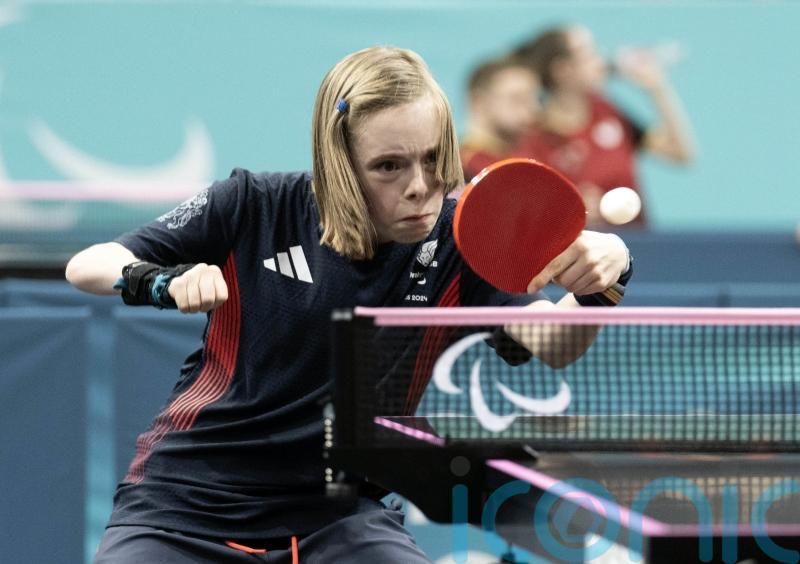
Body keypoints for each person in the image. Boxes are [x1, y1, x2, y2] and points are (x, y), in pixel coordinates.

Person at [65, 46, 631, 563]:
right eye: (390, 166)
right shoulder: (253, 205)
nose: (420, 187)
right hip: (187, 506)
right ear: (341, 163)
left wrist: (598, 289)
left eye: (434, 159)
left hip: (341, 515)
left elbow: (551, 345)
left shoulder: (461, 241)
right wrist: (161, 282)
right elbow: (87, 264)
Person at [514, 25, 696, 228]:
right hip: (580, 254)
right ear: (563, 70)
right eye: (589, 53)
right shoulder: (533, 136)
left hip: (639, 246)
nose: (600, 60)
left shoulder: (606, 110)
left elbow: (681, 154)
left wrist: (657, 88)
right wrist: (571, 210)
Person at [459, 56, 540, 183]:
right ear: (478, 101)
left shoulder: (530, 155)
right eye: (517, 99)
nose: (534, 108)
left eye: (534, 99)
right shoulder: (462, 167)